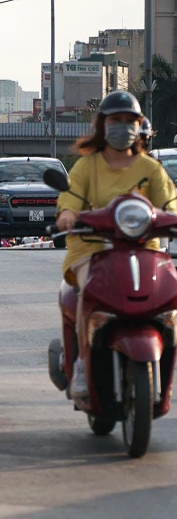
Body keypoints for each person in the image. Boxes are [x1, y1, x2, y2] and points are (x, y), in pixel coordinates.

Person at [54, 90, 177, 399]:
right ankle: (83, 361)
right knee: (89, 291)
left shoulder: (150, 168)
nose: (123, 126)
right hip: (92, 249)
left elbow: (170, 202)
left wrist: (172, 217)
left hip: (145, 249)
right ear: (103, 125)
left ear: (139, 125)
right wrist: (68, 214)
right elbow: (71, 195)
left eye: (129, 120)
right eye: (116, 120)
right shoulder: (88, 165)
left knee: (170, 295)